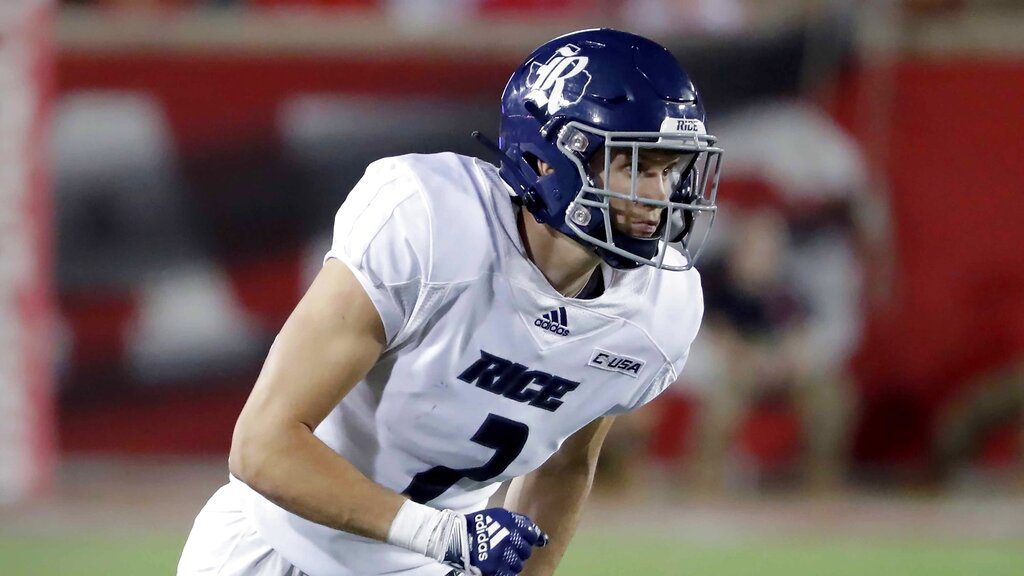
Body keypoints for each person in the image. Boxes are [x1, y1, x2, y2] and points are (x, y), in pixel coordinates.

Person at [177, 28, 722, 576]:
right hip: (277, 545)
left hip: (429, 560)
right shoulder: (430, 224)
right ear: (546, 161)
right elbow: (262, 446)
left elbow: (564, 467)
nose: (659, 197)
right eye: (636, 168)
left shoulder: (656, 310)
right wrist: (443, 536)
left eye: (669, 169)